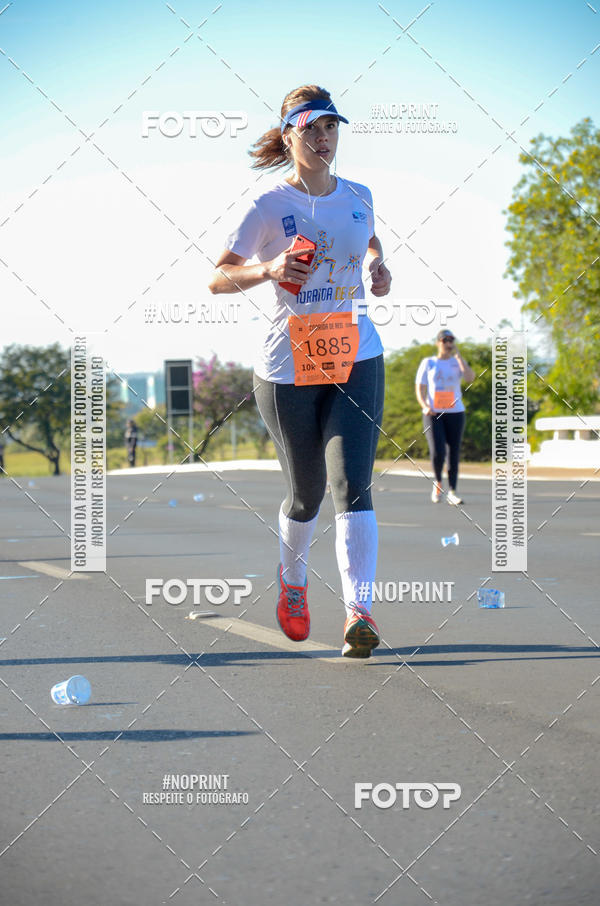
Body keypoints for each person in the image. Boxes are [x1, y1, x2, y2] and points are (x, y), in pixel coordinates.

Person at [208, 84, 392, 657]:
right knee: (307, 492)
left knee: (351, 485)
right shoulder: (266, 204)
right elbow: (217, 277)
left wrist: (379, 263)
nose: (323, 138)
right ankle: (292, 580)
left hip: (357, 355)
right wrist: (270, 269)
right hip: (287, 366)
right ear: (289, 134)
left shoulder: (358, 193)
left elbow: (364, 236)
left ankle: (358, 612)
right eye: (311, 128)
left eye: (331, 127)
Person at [415, 329, 475, 505]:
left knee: (453, 452)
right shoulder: (429, 363)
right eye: (444, 340)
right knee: (438, 451)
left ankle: (453, 491)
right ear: (437, 343)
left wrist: (459, 357)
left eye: (451, 340)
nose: (448, 344)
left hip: (455, 412)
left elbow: (470, 378)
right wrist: (424, 406)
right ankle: (438, 483)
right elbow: (420, 388)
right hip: (433, 413)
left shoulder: (457, 363)